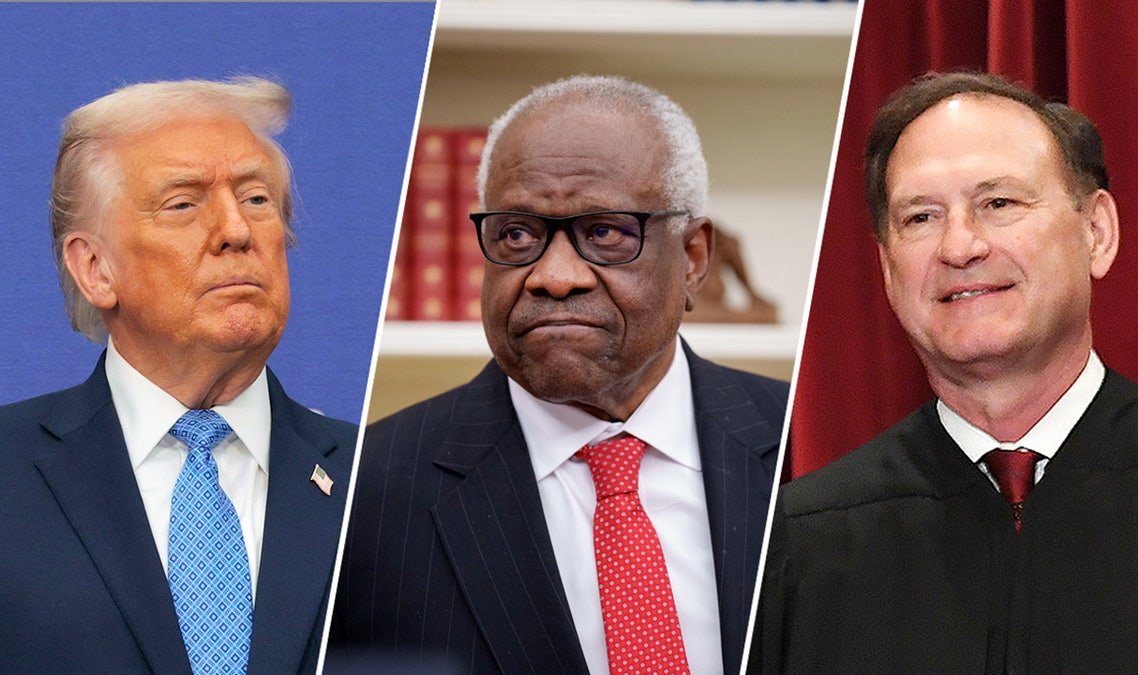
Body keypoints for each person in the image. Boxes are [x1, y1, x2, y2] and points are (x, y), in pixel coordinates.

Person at [331, 75, 788, 674]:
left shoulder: (807, 445)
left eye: (605, 232)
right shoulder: (363, 495)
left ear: (692, 260)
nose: (556, 275)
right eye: (517, 235)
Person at [750, 71, 1138, 673]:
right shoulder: (796, 544)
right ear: (887, 268)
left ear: (1097, 233)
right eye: (921, 217)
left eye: (998, 202)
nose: (959, 247)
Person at [0, 77, 357, 673]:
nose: (237, 231)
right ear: (95, 269)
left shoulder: (379, 481)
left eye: (256, 199)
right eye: (183, 203)